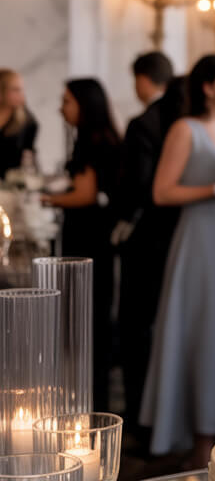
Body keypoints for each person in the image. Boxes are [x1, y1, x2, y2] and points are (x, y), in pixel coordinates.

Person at [140, 55, 215, 466]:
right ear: (207, 86)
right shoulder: (185, 129)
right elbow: (162, 192)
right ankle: (200, 439)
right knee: (204, 329)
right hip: (201, 239)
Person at [113, 52, 179, 444]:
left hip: (147, 239)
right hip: (179, 235)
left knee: (138, 326)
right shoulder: (186, 119)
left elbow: (136, 185)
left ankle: (140, 414)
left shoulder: (145, 122)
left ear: (143, 78)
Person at [43, 79, 121, 410]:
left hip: (88, 238)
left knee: (87, 315)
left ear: (85, 105)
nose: (61, 108)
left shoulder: (91, 142)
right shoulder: (97, 138)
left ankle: (88, 398)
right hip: (94, 237)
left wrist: (46, 198)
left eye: (67, 101)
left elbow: (85, 194)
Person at [0, 69, 38, 178]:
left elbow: (28, 159)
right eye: (16, 90)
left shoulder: (28, 122)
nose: (22, 95)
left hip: (10, 185)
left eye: (22, 90)